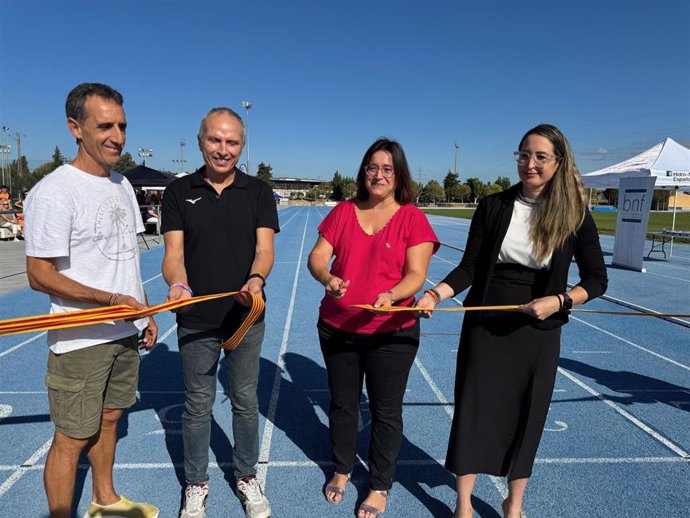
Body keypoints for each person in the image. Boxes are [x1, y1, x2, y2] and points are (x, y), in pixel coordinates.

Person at [415, 124, 608, 518]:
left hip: (539, 328)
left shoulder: (575, 214)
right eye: (524, 154)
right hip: (486, 322)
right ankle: (464, 503)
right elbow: (470, 267)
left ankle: (513, 504)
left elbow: (597, 279)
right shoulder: (493, 205)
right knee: (475, 409)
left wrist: (560, 300)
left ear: (559, 162)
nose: (530, 163)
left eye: (540, 156)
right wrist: (436, 293)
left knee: (527, 413)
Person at [23, 83, 159, 518]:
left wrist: (145, 309)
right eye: (105, 125)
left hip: (124, 330)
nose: (117, 135)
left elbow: (126, 260)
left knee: (111, 419)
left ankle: (105, 498)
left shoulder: (121, 185)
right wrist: (109, 300)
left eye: (121, 125)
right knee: (70, 439)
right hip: (80, 340)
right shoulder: (54, 190)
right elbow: (38, 275)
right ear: (75, 128)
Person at [307, 138, 439, 518]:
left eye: (387, 169)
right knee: (343, 404)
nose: (378, 175)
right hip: (338, 328)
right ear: (363, 172)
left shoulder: (413, 217)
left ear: (398, 176)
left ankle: (380, 484)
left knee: (385, 410)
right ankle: (342, 468)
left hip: (392, 333)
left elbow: (417, 275)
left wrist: (392, 295)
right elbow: (317, 257)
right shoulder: (344, 212)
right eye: (371, 168)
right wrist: (327, 277)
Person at [161, 107, 279, 518]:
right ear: (200, 141)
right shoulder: (178, 192)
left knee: (245, 401)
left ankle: (246, 476)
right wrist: (177, 283)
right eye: (215, 139)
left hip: (246, 317)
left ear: (241, 147)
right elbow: (173, 255)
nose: (223, 149)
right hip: (195, 320)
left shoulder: (259, 192)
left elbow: (265, 250)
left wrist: (256, 279)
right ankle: (196, 484)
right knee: (198, 405)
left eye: (232, 142)